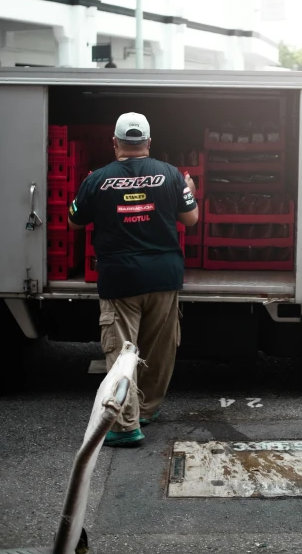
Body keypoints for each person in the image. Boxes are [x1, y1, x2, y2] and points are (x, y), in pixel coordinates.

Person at [68, 112, 198, 447]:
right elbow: (192, 219)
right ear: (149, 143)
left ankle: (125, 426)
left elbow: (75, 222)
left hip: (120, 279)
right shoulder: (170, 175)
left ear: (115, 142)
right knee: (158, 349)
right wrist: (190, 192)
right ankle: (147, 409)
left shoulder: (97, 179)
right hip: (164, 276)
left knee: (122, 354)